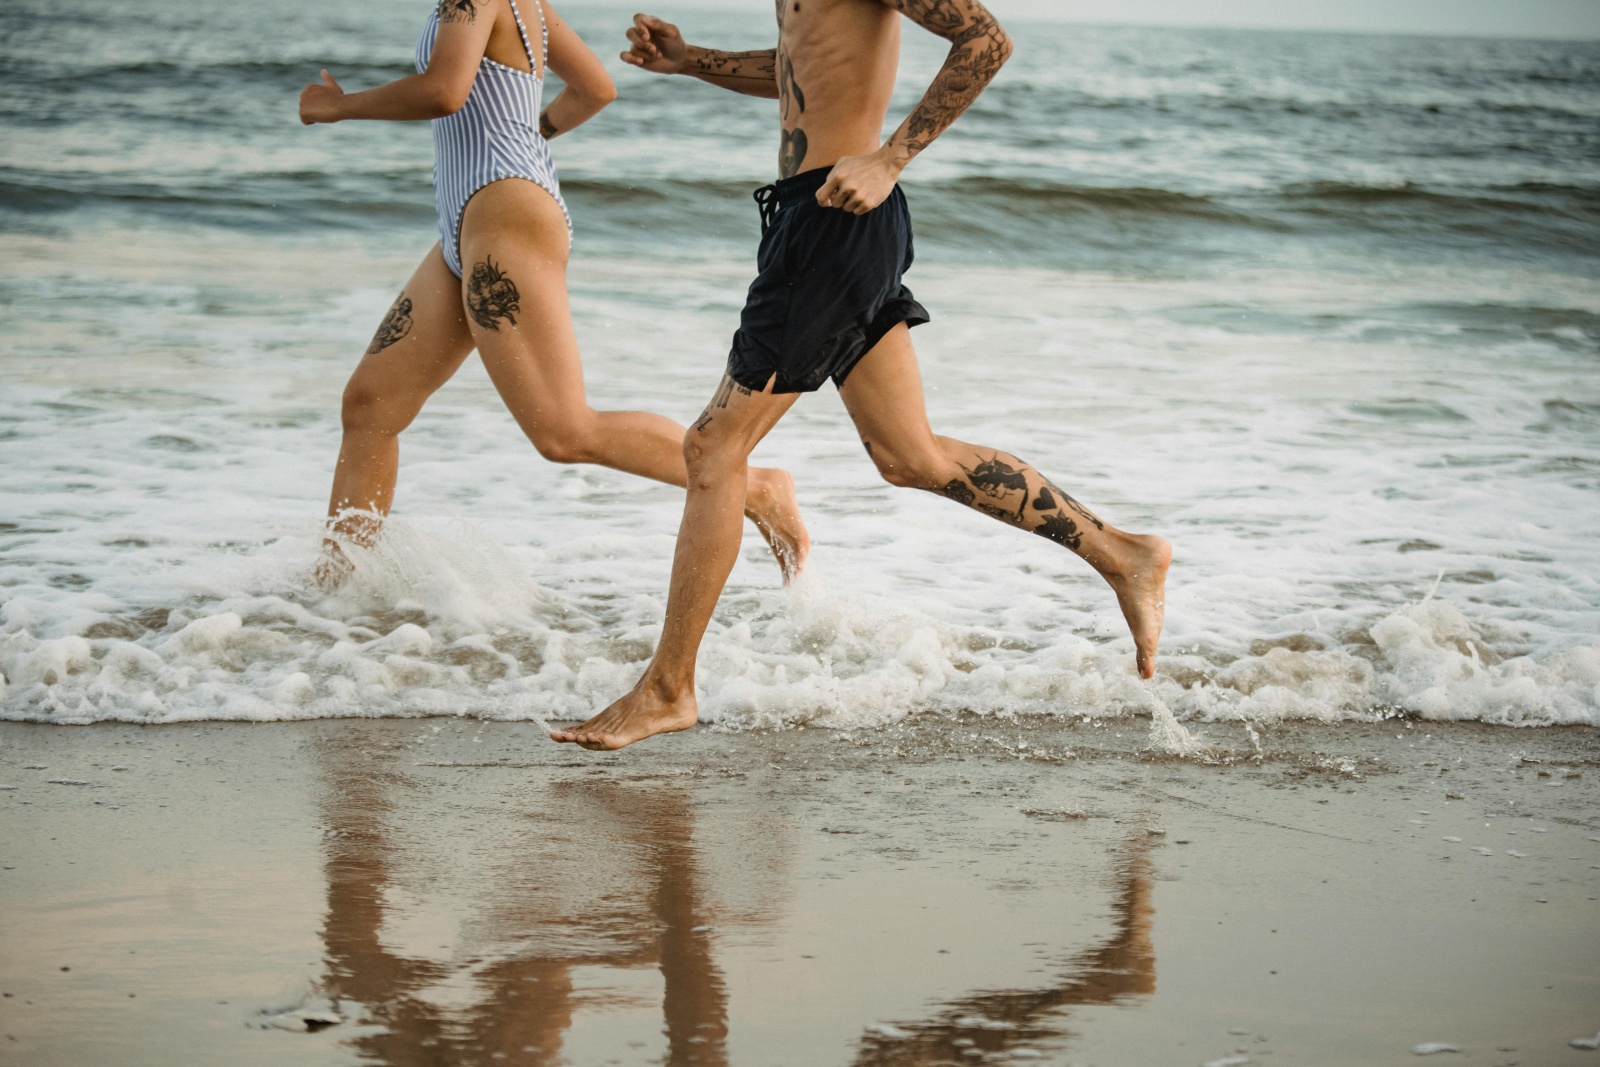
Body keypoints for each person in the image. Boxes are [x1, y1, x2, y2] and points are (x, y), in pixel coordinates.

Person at [552, 0, 1170, 751]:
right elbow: (804, 71)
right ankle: (1124, 555)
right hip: (824, 218)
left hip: (837, 222)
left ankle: (668, 688)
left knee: (713, 449)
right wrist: (694, 61)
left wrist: (890, 159)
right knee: (909, 454)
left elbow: (985, 39)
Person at [296, 0, 808, 588]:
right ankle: (334, 594)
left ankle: (760, 485)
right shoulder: (526, 4)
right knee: (370, 404)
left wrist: (337, 108)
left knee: (564, 432)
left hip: (503, 209)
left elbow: (443, 91)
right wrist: (525, 134)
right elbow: (595, 87)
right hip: (474, 216)